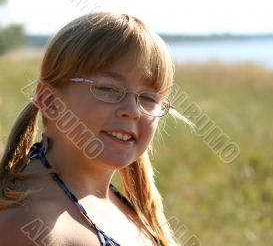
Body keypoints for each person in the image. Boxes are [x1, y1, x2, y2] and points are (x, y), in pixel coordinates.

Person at [0, 12, 190, 246]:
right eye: (108, 89)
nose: (133, 110)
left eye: (149, 98)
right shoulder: (25, 225)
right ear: (49, 101)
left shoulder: (132, 214)